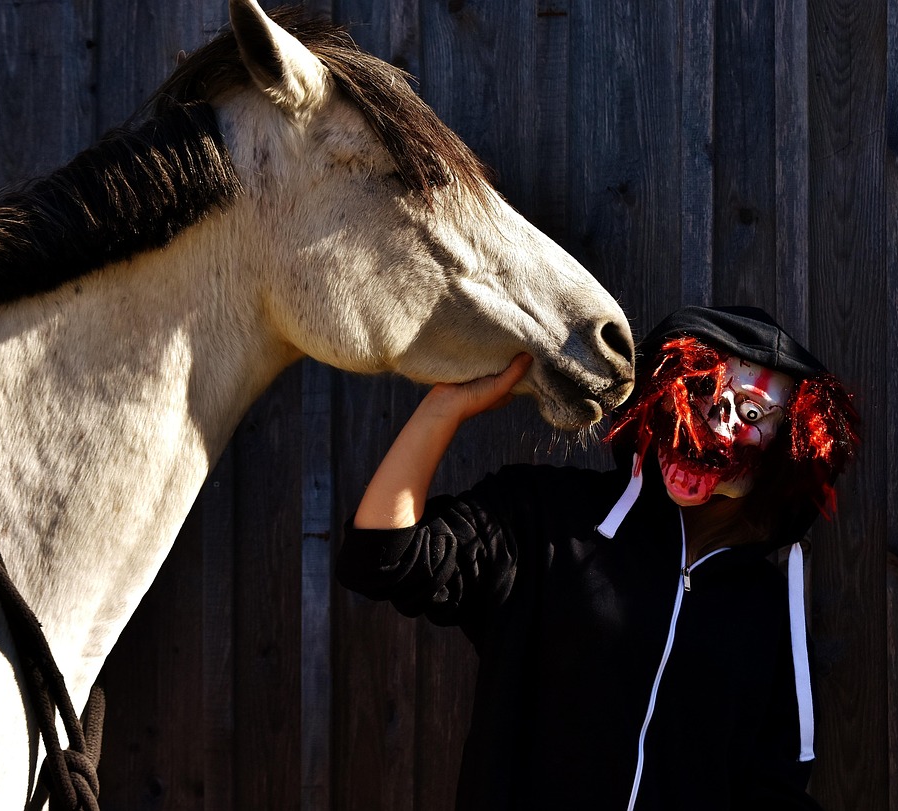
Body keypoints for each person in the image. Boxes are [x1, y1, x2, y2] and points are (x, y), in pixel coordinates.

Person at [337, 305, 859, 810]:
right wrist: (443, 408)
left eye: (751, 414)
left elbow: (776, 790)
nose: (719, 423)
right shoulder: (543, 516)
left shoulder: (768, 609)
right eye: (702, 391)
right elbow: (382, 556)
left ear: (791, 441)